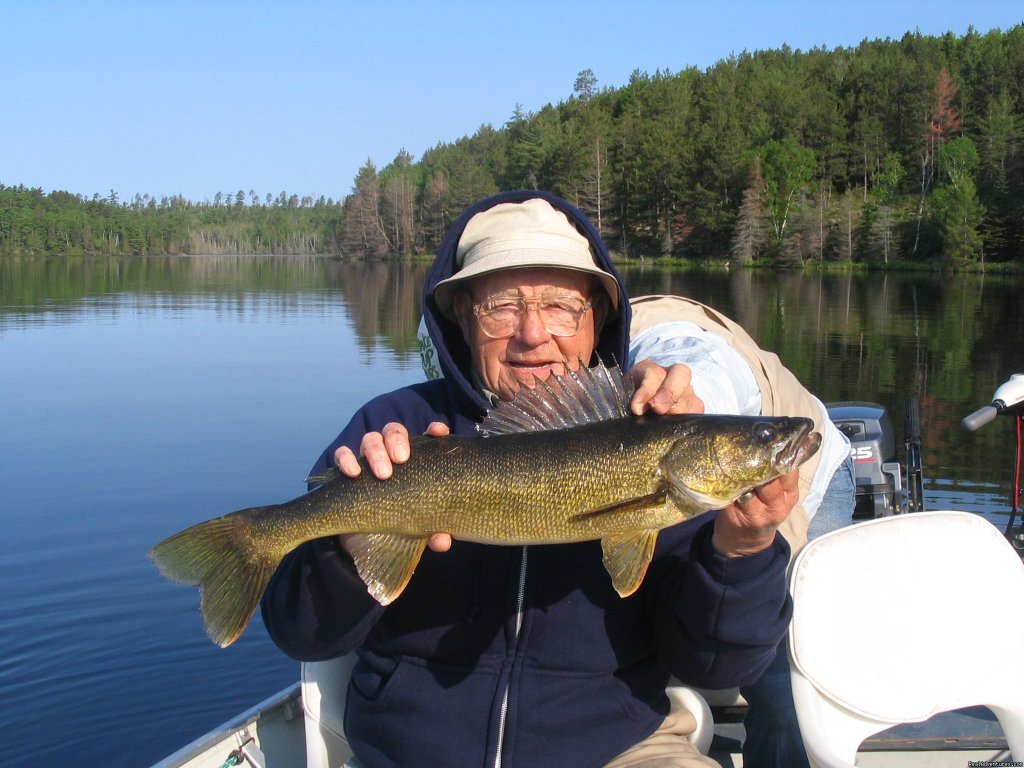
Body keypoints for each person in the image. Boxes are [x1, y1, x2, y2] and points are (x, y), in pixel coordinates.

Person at [260, 190, 826, 768]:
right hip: (415, 752)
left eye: (561, 308)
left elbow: (718, 667)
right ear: (461, 316)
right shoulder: (395, 428)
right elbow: (303, 633)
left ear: (597, 317)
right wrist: (347, 542)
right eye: (501, 306)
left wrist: (743, 548)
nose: (532, 334)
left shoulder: (658, 434)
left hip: (618, 749)